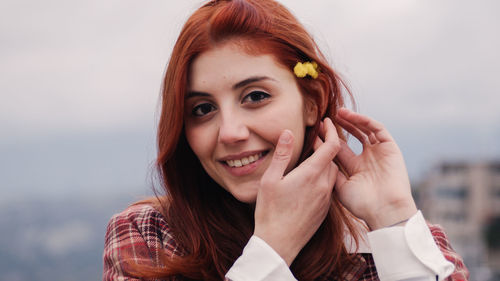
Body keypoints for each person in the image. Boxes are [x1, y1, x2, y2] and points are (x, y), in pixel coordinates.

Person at [103, 0, 469, 280]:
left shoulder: (395, 241)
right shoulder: (149, 236)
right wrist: (272, 247)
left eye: (256, 96)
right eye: (202, 109)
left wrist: (391, 217)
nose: (230, 132)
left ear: (312, 103)